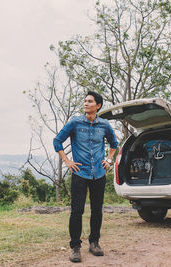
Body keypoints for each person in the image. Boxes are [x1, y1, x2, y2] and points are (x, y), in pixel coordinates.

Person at [53, 91, 118, 263]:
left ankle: (94, 243)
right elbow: (57, 141)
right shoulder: (75, 122)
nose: (86, 104)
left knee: (97, 210)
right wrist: (67, 161)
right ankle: (75, 247)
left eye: (90, 101)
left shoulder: (104, 125)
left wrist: (109, 160)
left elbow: (114, 143)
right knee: (77, 211)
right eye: (85, 101)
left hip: (99, 173)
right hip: (80, 174)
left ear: (98, 106)